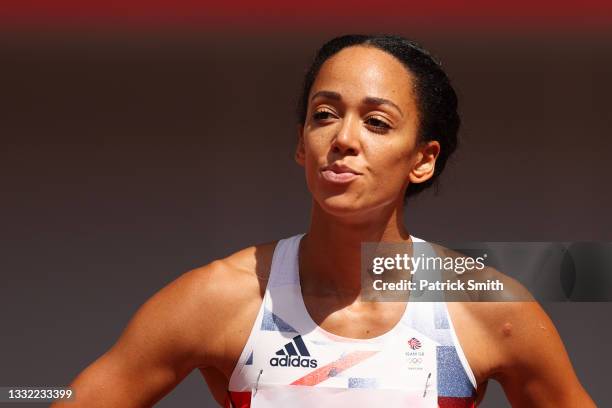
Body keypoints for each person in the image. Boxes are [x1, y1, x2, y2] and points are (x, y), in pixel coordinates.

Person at [51, 34, 594, 407]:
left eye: (377, 122)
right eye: (324, 115)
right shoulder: (221, 298)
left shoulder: (486, 308)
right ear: (300, 145)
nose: (344, 140)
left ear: (423, 159)